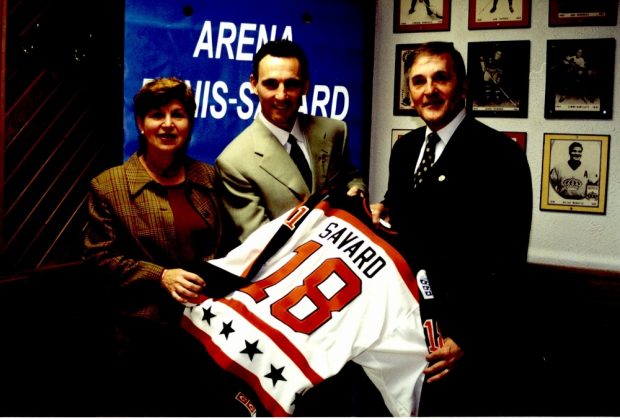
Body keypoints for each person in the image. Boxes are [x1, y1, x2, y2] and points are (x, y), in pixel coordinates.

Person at [370, 42, 544, 416]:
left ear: (463, 87)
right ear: (410, 92)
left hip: (464, 344)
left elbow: (508, 260)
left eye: (440, 78)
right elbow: (405, 216)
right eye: (418, 81)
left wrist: (467, 338)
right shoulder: (405, 148)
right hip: (408, 330)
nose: (428, 90)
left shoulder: (500, 155)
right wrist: (381, 211)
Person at [83, 77, 260, 416]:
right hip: (139, 341)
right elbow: (98, 261)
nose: (167, 124)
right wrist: (160, 276)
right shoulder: (108, 186)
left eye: (178, 114)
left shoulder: (208, 178)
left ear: (190, 122)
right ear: (140, 123)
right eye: (156, 115)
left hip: (205, 335)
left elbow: (228, 248)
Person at [216, 39, 366, 243]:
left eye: (291, 84)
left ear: (305, 86)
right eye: (271, 84)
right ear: (254, 85)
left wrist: (357, 192)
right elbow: (259, 244)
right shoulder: (234, 163)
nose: (281, 95)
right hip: (286, 271)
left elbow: (352, 178)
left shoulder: (335, 131)